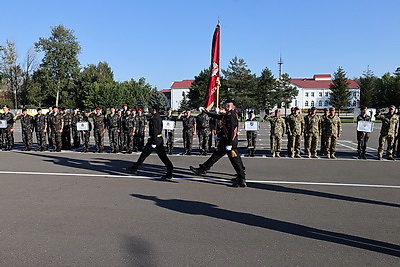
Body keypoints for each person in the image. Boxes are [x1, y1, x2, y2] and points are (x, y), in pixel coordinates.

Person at [190, 100, 246, 188]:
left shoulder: (231, 115)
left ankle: (241, 179)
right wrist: (206, 112)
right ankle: (203, 169)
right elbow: (218, 117)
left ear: (229, 106)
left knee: (234, 160)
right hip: (226, 140)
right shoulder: (228, 114)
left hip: (229, 141)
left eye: (225, 106)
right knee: (220, 156)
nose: (223, 107)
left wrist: (230, 143)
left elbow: (232, 129)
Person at [126, 106, 173, 180]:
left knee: (145, 154)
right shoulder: (157, 116)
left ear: (154, 110)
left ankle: (135, 167)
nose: (150, 110)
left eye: (151, 109)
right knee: (161, 156)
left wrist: (153, 141)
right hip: (157, 139)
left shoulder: (154, 118)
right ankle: (169, 170)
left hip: (154, 140)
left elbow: (155, 130)